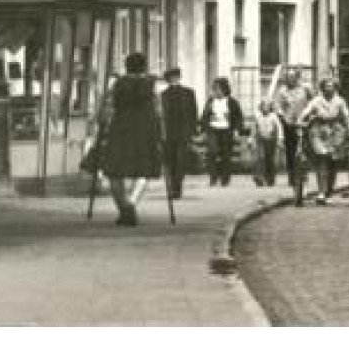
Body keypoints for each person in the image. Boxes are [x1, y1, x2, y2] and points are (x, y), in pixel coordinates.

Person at [96, 51, 163, 227]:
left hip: (120, 130)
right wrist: (159, 130)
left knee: (114, 171)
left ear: (126, 66)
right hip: (144, 130)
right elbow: (158, 111)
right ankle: (131, 203)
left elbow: (107, 109)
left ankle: (125, 208)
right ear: (144, 66)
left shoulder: (117, 84)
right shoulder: (151, 85)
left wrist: (102, 124)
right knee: (144, 170)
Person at [299, 75, 349, 204]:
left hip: (335, 129)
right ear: (322, 88)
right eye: (326, 86)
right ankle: (321, 193)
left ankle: (328, 191)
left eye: (332, 86)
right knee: (322, 158)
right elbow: (306, 111)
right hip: (319, 129)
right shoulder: (316, 100)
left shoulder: (340, 101)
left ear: (335, 88)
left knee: (334, 161)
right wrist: (301, 120)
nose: (329, 89)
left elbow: (346, 115)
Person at [159, 67, 198, 200]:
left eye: (176, 77)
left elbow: (194, 113)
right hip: (168, 133)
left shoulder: (189, 93)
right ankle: (172, 188)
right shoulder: (163, 95)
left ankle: (177, 188)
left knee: (180, 161)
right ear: (168, 79)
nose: (174, 79)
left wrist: (193, 131)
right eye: (171, 78)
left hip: (183, 133)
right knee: (170, 162)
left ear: (179, 77)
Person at [273, 67, 316, 189]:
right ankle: (292, 176)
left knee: (306, 147)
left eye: (293, 77)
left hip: (304, 122)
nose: (291, 80)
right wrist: (282, 116)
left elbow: (313, 102)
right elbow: (278, 105)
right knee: (290, 151)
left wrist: (311, 115)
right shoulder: (282, 91)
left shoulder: (305, 88)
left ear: (297, 78)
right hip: (289, 123)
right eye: (288, 77)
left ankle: (304, 174)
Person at [198, 77, 245, 186]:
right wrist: (205, 125)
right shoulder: (210, 101)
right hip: (213, 129)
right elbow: (204, 116)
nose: (216, 92)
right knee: (212, 152)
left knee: (226, 154)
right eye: (214, 89)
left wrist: (238, 130)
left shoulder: (232, 102)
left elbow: (238, 117)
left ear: (224, 89)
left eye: (218, 89)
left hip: (226, 130)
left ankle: (225, 179)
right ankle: (213, 178)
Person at [252, 99, 283, 187]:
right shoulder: (257, 115)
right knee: (261, 158)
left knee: (270, 159)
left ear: (270, 107)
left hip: (271, 139)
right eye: (263, 106)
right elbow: (254, 127)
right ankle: (258, 177)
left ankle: (270, 179)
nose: (265, 108)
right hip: (261, 139)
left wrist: (280, 139)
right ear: (261, 107)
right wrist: (251, 139)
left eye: (267, 106)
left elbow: (279, 127)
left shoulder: (274, 116)